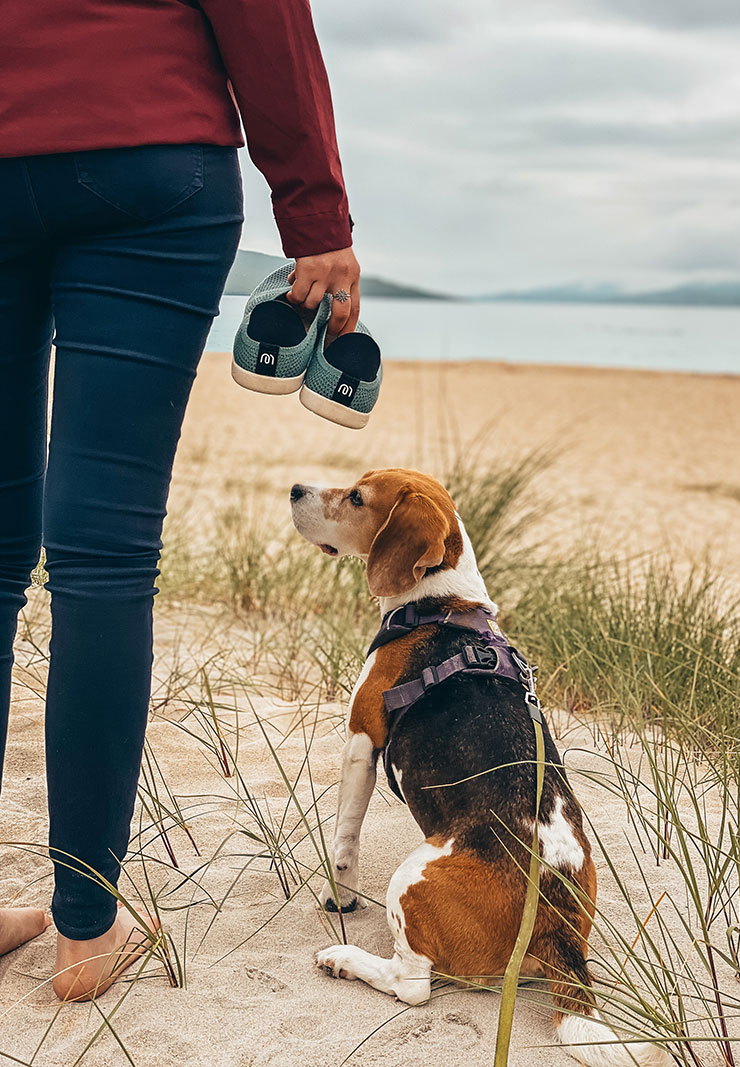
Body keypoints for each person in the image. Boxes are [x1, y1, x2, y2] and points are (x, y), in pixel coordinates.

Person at [0, 0, 359, 1000]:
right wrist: (316, 219)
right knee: (103, 558)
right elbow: (266, 21)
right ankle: (84, 928)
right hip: (145, 157)